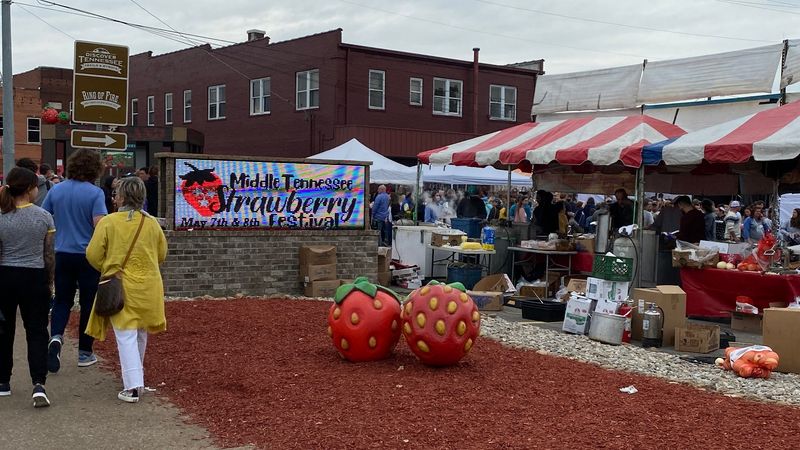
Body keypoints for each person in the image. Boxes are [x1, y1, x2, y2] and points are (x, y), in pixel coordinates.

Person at [86, 177, 167, 403]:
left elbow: (93, 254)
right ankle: (137, 379)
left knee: (125, 334)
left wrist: (108, 267)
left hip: (121, 284)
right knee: (140, 332)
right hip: (149, 285)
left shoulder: (109, 222)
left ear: (121, 197)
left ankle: (132, 387)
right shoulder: (151, 223)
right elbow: (162, 254)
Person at [43, 149, 108, 372]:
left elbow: (45, 217)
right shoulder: (95, 193)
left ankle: (56, 337)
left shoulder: (57, 190)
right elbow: (100, 225)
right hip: (88, 255)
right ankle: (85, 352)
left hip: (62, 252)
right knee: (89, 303)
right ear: (95, 169)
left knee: (62, 300)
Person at [0, 167, 56, 407]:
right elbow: (49, 254)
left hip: (5, 275)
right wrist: (50, 281)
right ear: (31, 189)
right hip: (34, 276)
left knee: (4, 330)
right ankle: (38, 383)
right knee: (37, 330)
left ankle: (3, 380)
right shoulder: (44, 217)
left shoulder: (2, 216)